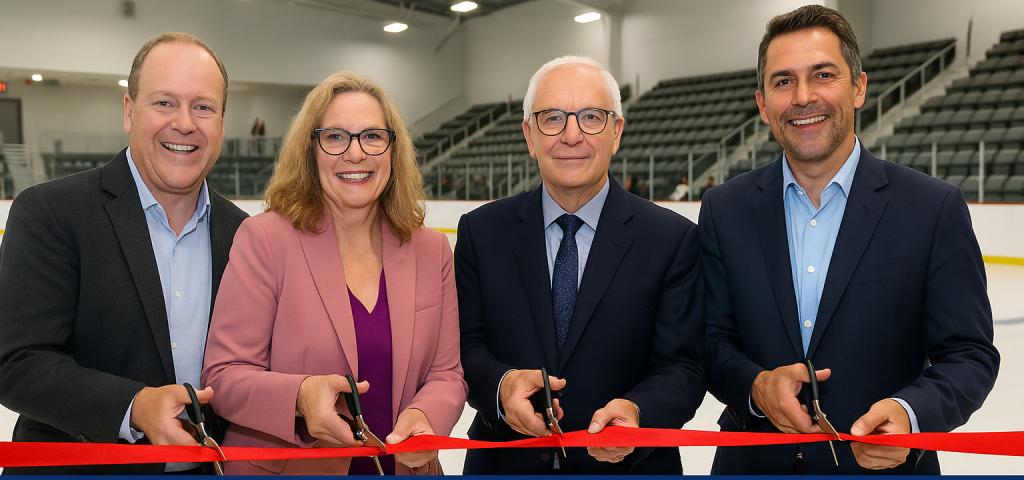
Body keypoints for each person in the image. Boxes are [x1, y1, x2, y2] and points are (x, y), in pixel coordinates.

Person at [700, 5, 998, 474]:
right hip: (751, 466)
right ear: (761, 104)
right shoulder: (724, 209)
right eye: (783, 81)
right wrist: (756, 387)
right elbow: (711, 340)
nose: (802, 97)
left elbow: (969, 354)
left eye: (822, 75)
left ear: (858, 87)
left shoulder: (932, 208)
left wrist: (910, 413)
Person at [0, 32, 248, 474]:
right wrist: (135, 406)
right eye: (164, 103)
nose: (185, 123)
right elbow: (17, 363)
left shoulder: (243, 235)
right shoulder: (51, 212)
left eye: (204, 107)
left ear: (223, 124)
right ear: (130, 111)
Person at [201, 71, 467, 475]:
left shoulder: (431, 249)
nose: (355, 154)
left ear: (393, 150)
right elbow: (223, 376)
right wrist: (299, 396)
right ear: (311, 149)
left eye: (373, 136)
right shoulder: (265, 239)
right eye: (335, 136)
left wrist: (427, 417)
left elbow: (447, 373)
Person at [456, 55, 705, 474]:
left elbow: (684, 366)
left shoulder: (671, 239)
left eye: (591, 117)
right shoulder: (482, 232)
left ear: (617, 132)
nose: (571, 135)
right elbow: (464, 347)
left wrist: (638, 411)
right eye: (552, 118)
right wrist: (502, 387)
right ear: (529, 136)